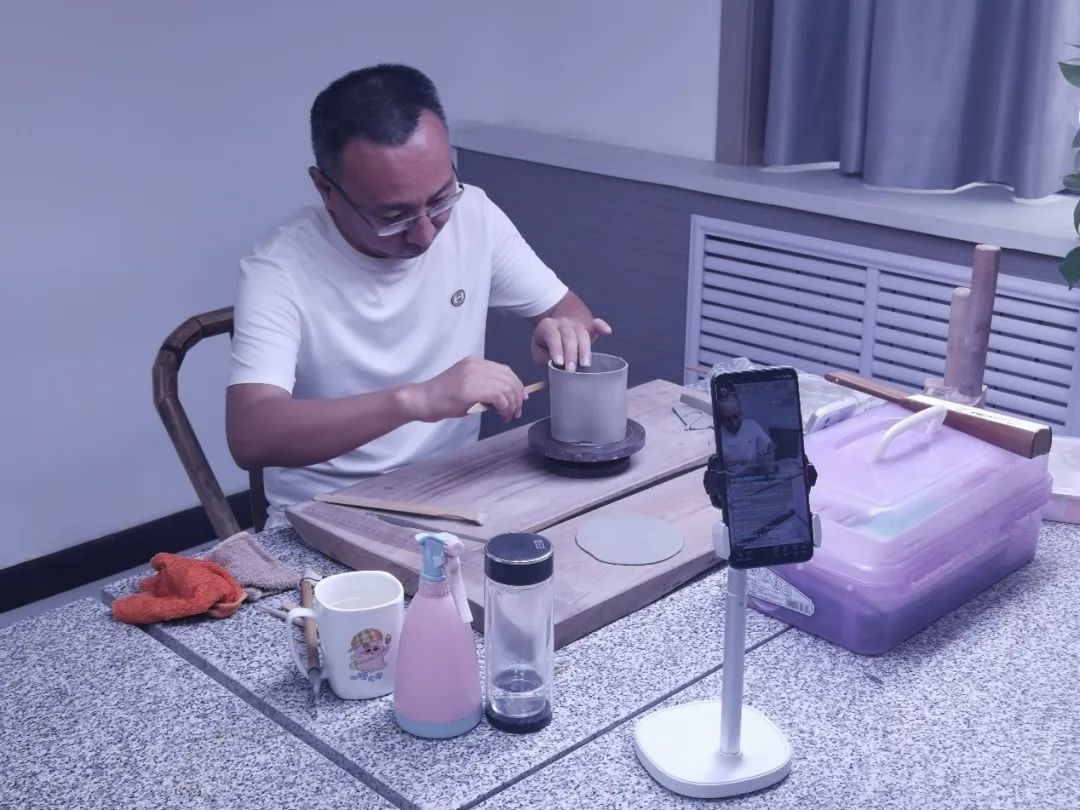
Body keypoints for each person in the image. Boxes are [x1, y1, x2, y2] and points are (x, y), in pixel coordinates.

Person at [226, 64, 611, 528]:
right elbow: (252, 435)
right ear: (326, 189)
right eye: (394, 217)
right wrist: (416, 400)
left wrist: (562, 332)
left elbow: (568, 311)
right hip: (327, 514)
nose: (426, 234)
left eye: (440, 199)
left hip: (456, 495)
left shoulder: (473, 215)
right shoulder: (280, 269)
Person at [716, 389, 774, 471]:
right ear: (720, 419)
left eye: (736, 416)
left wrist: (767, 462)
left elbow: (770, 445)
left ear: (741, 412)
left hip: (753, 476)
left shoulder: (751, 425)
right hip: (729, 478)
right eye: (727, 419)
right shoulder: (716, 435)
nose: (734, 424)